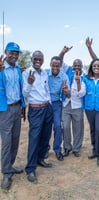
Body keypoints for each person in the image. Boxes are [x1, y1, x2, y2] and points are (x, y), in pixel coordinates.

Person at [23, 50, 53, 183]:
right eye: (35, 58)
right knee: (34, 138)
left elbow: (46, 90)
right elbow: (24, 93)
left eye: (40, 59)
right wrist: (29, 83)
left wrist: (50, 104)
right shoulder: (26, 73)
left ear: (43, 60)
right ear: (32, 59)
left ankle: (40, 159)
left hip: (47, 108)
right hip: (35, 110)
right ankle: (30, 169)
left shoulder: (44, 72)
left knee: (45, 136)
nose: (38, 60)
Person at [0, 42, 26, 190]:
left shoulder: (18, 70)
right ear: (6, 52)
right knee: (6, 142)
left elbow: (20, 88)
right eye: (11, 52)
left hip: (17, 108)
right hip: (5, 110)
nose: (14, 55)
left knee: (15, 139)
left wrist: (23, 107)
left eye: (16, 53)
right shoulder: (1, 69)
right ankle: (6, 173)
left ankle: (10, 166)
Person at [46, 56, 70, 161]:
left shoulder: (63, 76)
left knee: (57, 126)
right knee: (45, 127)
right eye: (53, 65)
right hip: (45, 103)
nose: (55, 67)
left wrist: (66, 90)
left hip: (56, 104)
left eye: (58, 65)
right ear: (50, 64)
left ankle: (57, 149)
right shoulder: (44, 73)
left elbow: (69, 95)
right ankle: (45, 149)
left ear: (60, 66)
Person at [62, 59, 86, 157]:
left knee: (78, 128)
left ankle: (76, 148)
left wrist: (78, 81)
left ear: (81, 66)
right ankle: (67, 147)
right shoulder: (67, 73)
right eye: (75, 65)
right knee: (66, 126)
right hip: (66, 104)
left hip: (78, 105)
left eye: (78, 65)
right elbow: (60, 61)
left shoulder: (84, 77)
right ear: (72, 66)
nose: (76, 67)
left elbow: (82, 94)